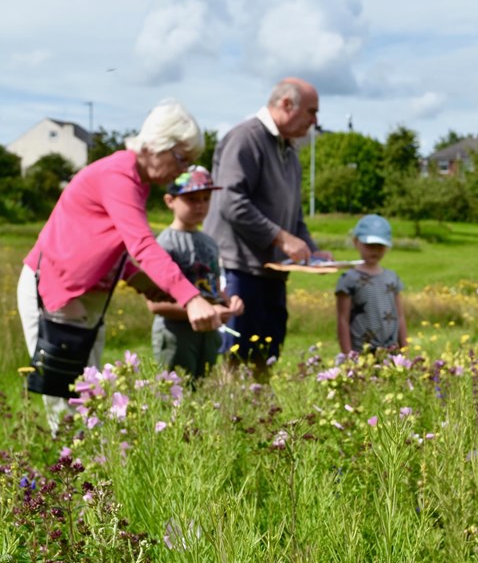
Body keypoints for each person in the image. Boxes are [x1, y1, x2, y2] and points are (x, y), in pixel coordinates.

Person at [17, 99, 222, 434]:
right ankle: (67, 476)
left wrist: (135, 276)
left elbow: (108, 240)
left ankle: (92, 477)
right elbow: (141, 243)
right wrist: (191, 297)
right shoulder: (119, 175)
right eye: (181, 159)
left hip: (84, 298)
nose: (181, 171)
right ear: (158, 146)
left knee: (91, 394)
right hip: (54, 292)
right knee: (67, 397)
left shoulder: (136, 181)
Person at [204, 78, 330, 370]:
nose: (315, 121)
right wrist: (281, 238)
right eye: (311, 111)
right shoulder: (245, 138)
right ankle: (231, 415)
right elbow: (230, 201)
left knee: (266, 359)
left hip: (271, 274)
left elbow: (294, 216)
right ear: (286, 104)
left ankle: (259, 415)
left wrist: (312, 250)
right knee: (234, 360)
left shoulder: (290, 151)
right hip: (238, 270)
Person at [147, 166, 245, 380]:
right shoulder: (164, 244)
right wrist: (206, 311)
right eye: (191, 199)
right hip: (175, 335)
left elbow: (214, 288)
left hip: (209, 334)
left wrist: (229, 303)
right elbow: (155, 304)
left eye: (205, 198)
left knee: (202, 396)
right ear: (170, 201)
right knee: (175, 398)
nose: (200, 205)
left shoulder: (209, 243)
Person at [336, 215, 407, 354]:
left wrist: (405, 350)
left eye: (380, 246)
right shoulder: (348, 279)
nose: (375, 250)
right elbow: (342, 319)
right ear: (356, 242)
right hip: (361, 353)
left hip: (391, 353)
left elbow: (400, 316)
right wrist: (347, 355)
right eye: (369, 245)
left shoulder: (392, 278)